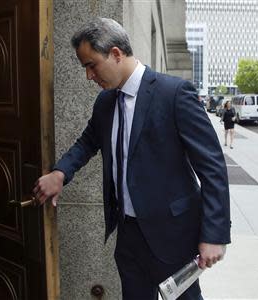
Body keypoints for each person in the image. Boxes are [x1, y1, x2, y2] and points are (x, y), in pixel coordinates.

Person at [34, 18, 230, 300]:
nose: (89, 76)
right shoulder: (105, 102)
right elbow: (88, 142)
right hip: (128, 236)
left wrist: (214, 234)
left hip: (172, 235)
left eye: (91, 65)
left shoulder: (174, 94)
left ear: (115, 54)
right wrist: (60, 172)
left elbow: (212, 167)